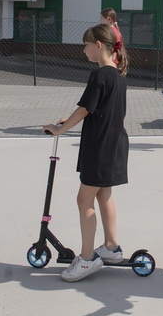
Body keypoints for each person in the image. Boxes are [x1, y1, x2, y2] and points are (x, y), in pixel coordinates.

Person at [44, 23, 129, 282]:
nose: (83, 49)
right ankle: (112, 247)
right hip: (114, 145)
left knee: (84, 200)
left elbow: (84, 110)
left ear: (98, 46)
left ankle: (88, 258)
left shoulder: (99, 75)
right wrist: (65, 122)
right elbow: (95, 110)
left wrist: (59, 130)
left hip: (99, 147)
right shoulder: (118, 75)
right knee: (104, 195)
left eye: (86, 44)